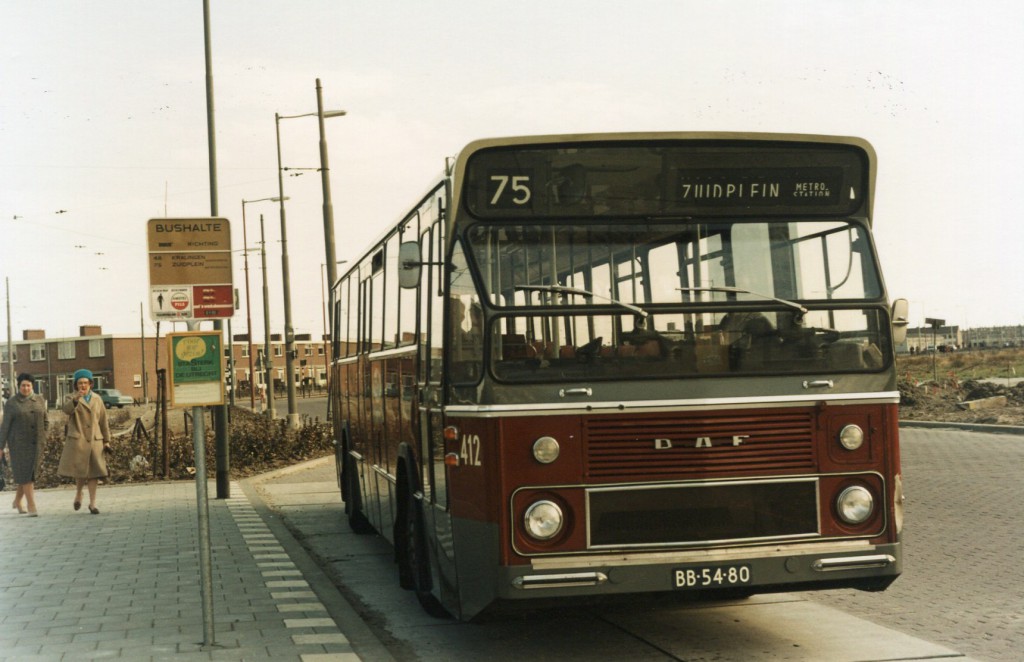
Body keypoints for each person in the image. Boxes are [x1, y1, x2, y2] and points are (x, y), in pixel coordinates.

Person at [56, 369, 111, 514]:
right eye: (80, 383)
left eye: (86, 383)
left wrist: (107, 440)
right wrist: (75, 399)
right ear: (76, 385)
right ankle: (79, 493)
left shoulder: (97, 399)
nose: (83, 386)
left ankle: (93, 504)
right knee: (81, 471)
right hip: (79, 440)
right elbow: (66, 410)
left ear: (91, 384)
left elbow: (103, 421)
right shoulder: (71, 398)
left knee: (94, 473)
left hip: (95, 440)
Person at [0, 373, 47, 517]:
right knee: (26, 475)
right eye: (23, 385)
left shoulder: (39, 399)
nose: (25, 388)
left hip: (37, 443)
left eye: (28, 385)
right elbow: (5, 426)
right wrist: (1, 446)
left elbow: (46, 420)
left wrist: (44, 436)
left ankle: (17, 501)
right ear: (18, 386)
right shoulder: (12, 403)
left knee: (28, 474)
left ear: (32, 386)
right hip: (18, 445)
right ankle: (31, 506)